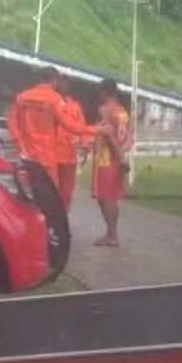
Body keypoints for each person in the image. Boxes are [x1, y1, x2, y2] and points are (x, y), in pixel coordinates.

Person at [8, 67, 96, 198]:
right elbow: (70, 125)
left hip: (31, 156)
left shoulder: (23, 96)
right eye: (61, 80)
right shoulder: (54, 99)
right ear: (54, 80)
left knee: (29, 195)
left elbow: (12, 125)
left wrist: (21, 147)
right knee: (47, 197)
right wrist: (97, 129)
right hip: (48, 158)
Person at [91, 78, 132, 246]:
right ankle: (113, 233)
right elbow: (130, 137)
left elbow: (109, 135)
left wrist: (118, 155)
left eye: (99, 91)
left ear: (104, 91)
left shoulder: (104, 110)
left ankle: (111, 235)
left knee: (104, 198)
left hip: (106, 159)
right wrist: (122, 154)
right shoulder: (123, 111)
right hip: (118, 159)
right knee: (113, 198)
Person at [52, 73, 89, 211]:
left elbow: (82, 128)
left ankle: (63, 219)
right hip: (51, 155)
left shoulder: (75, 106)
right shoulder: (50, 102)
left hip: (69, 156)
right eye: (61, 81)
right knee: (51, 190)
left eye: (66, 82)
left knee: (67, 192)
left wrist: (85, 147)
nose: (64, 85)